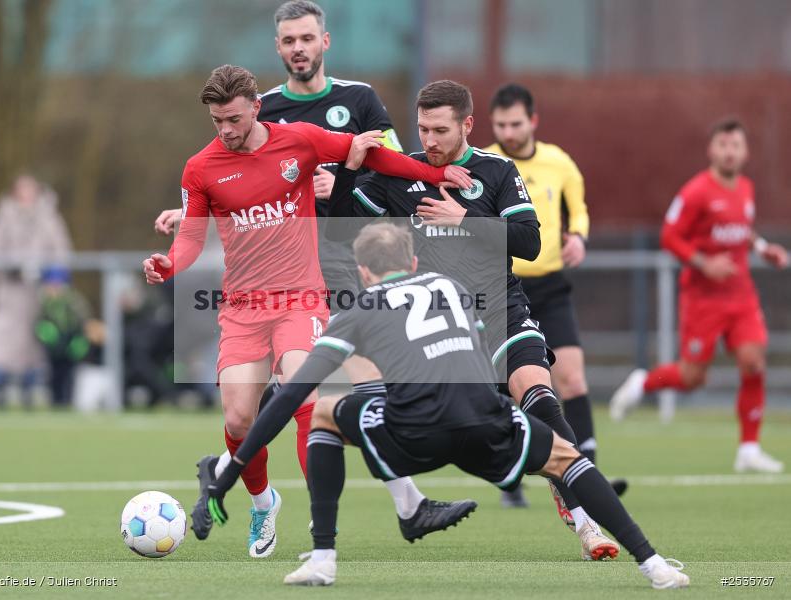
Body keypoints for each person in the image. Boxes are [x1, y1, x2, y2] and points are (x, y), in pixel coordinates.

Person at [199, 223, 690, 590]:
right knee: (567, 457)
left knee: (324, 411)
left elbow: (288, 396)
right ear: (413, 264)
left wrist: (228, 473)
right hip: (486, 422)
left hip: (414, 434)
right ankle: (654, 566)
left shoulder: (359, 308)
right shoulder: (454, 288)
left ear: (364, 272)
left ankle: (323, 557)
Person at [156, 1, 475, 544]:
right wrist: (177, 240)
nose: (298, 47)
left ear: (324, 41)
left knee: (316, 393)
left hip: (338, 271)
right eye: (288, 40)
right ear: (277, 48)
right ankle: (272, 501)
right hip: (248, 302)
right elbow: (221, 206)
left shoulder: (352, 104)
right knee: (241, 418)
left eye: (307, 37)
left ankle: (341, 519)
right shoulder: (242, 133)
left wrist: (432, 171)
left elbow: (381, 163)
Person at [324, 80, 619, 560]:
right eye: (423, 129)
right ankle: (412, 505)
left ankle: (586, 524)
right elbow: (338, 231)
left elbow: (529, 243)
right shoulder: (400, 175)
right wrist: (348, 169)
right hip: (444, 329)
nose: (431, 141)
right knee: (472, 436)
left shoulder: (497, 170)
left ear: (467, 125)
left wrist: (465, 219)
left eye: (441, 130)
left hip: (501, 308)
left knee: (541, 399)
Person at [610, 118, 788, 473]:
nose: (729, 152)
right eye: (722, 145)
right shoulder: (696, 191)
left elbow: (743, 229)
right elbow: (670, 237)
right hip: (702, 298)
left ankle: (749, 448)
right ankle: (642, 382)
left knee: (754, 362)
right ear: (712, 150)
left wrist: (764, 248)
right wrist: (704, 263)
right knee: (693, 378)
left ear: (745, 152)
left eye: (735, 145)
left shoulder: (746, 189)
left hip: (740, 296)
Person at [485, 84, 627, 497]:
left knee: (572, 380)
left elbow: (578, 208)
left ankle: (588, 475)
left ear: (533, 121)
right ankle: (512, 480)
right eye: (500, 125)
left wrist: (578, 235)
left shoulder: (558, 162)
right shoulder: (487, 164)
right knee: (511, 387)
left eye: (515, 123)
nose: (508, 132)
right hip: (503, 289)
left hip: (550, 287)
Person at [0, 173, 72, 409]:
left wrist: (52, 278)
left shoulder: (50, 220)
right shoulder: (2, 219)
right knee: (3, 340)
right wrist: (12, 269)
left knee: (36, 342)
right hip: (8, 294)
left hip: (39, 295)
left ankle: (29, 389)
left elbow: (62, 254)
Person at [34, 266, 91, 408]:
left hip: (69, 344)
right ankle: (55, 402)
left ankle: (67, 402)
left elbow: (83, 321)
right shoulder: (44, 302)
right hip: (53, 347)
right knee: (53, 376)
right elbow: (38, 323)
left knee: (69, 376)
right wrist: (45, 333)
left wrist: (80, 340)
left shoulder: (73, 301)